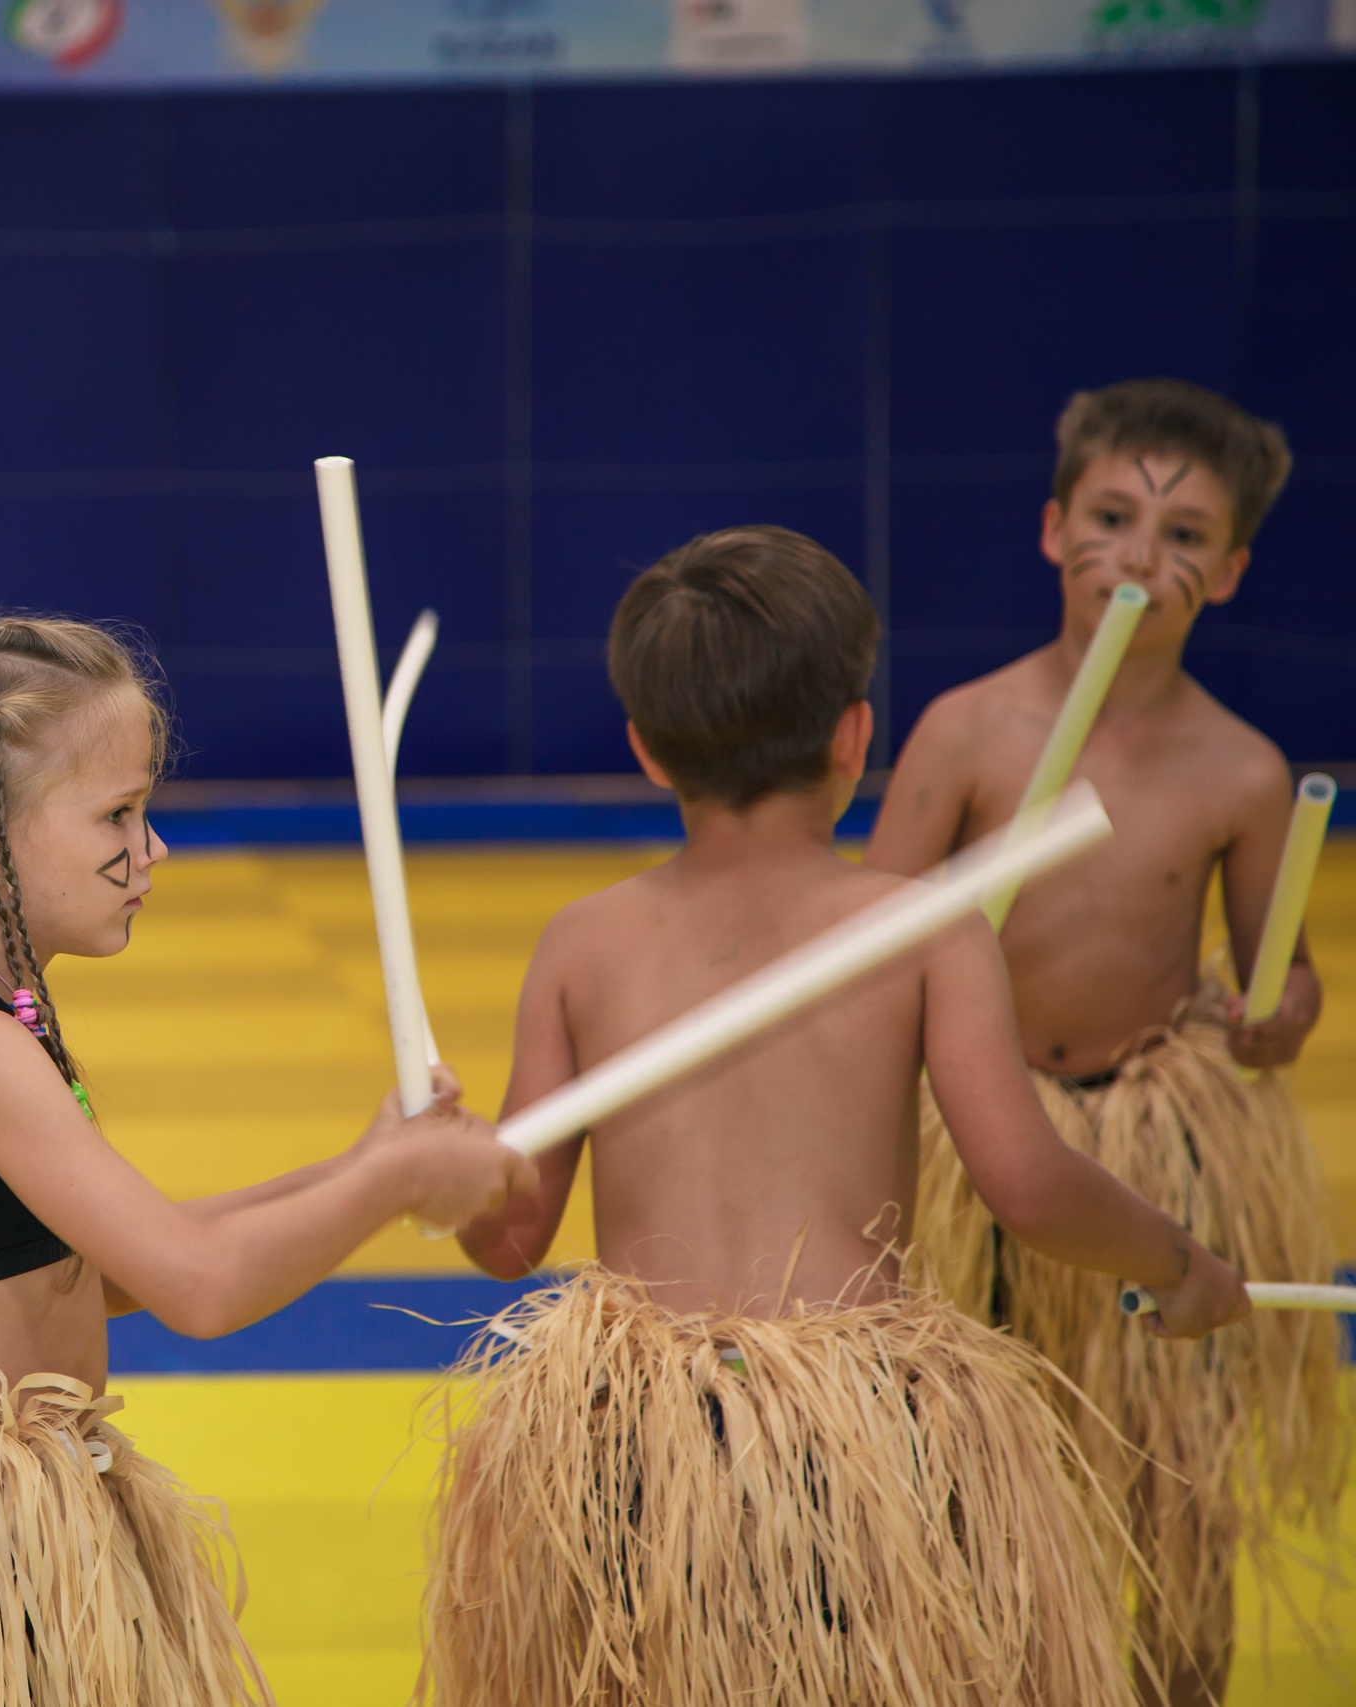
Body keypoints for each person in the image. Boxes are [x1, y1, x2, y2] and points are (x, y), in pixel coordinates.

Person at [430, 527, 1249, 1707]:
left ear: (646, 753)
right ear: (854, 736)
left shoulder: (582, 942)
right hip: (853, 1444)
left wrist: (457, 1169)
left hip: (632, 1446)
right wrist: (1179, 1259)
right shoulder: (919, 927)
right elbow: (1022, 1184)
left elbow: (503, 1243)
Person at [0, 613, 528, 1705]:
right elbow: (197, 1288)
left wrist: (356, 1165)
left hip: (4, 1522)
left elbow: (106, 1266)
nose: (151, 847)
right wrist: (392, 1185)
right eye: (118, 814)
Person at [867, 379, 1338, 1706]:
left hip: (1151, 1145)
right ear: (1050, 528)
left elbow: (1277, 977)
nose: (1143, 557)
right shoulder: (967, 728)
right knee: (984, 1479)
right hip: (989, 1134)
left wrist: (1276, 1016)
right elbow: (863, 939)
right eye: (1115, 517)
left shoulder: (1242, 770)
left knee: (1177, 1491)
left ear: (1232, 570)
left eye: (1186, 535)